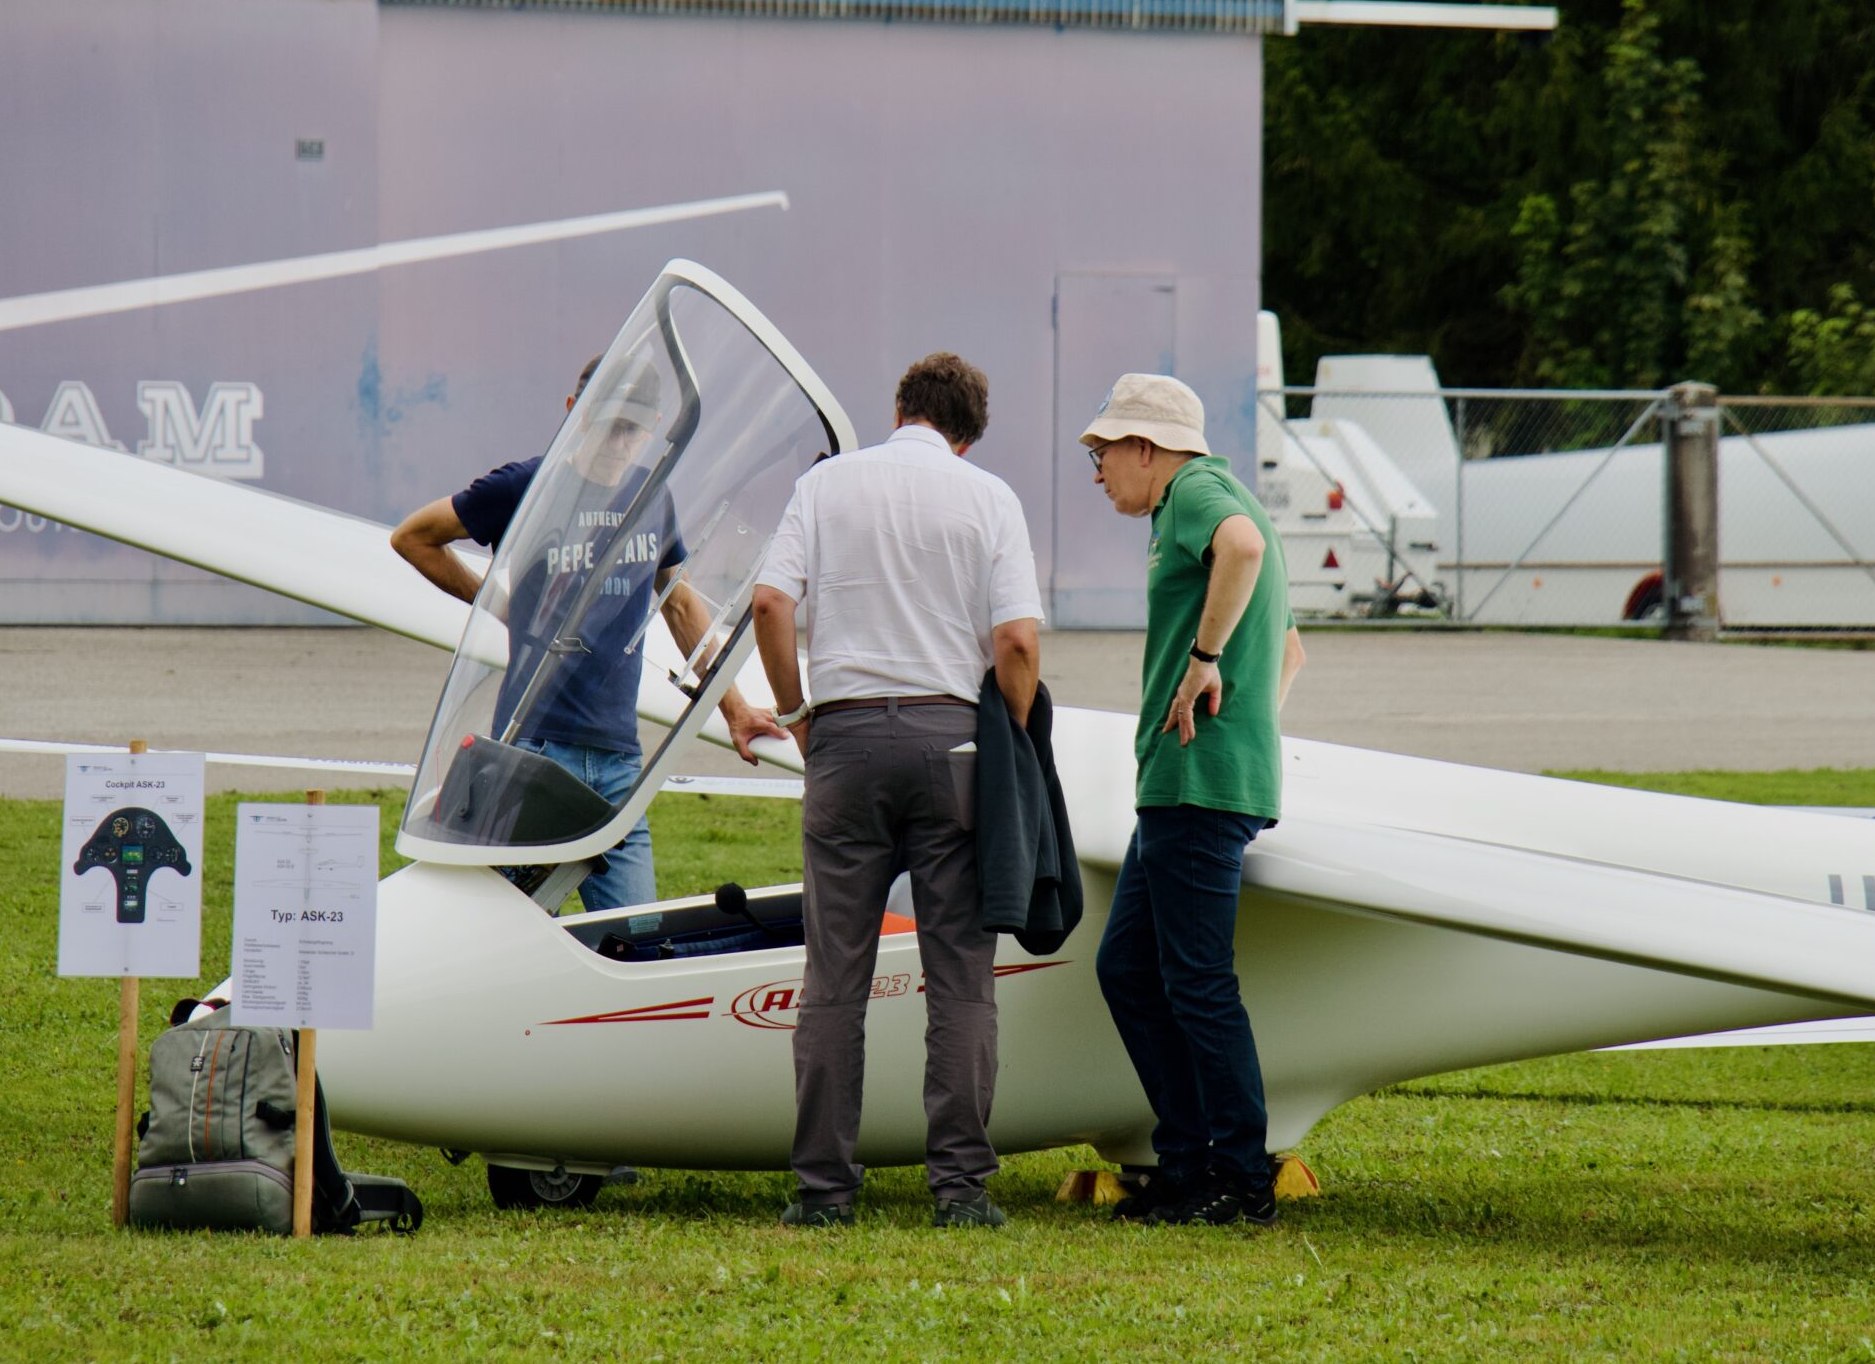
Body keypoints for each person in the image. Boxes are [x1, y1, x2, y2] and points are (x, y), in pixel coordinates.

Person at [751, 352, 1042, 1229]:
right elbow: (1018, 641)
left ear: (900, 409)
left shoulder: (827, 486)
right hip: (952, 740)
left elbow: (770, 603)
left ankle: (825, 1190)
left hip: (843, 740)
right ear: (966, 434)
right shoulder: (990, 498)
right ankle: (959, 1186)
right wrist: (1016, 741)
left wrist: (798, 712)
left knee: (835, 973)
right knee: (960, 974)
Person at [391, 355, 780, 911]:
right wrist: (497, 603)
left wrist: (735, 708)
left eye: (634, 430)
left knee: (633, 940)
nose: (621, 443)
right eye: (610, 425)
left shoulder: (653, 495)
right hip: (534, 754)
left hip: (619, 764)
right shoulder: (526, 486)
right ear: (575, 413)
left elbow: (679, 605)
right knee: (512, 940)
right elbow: (413, 538)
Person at [1078, 372, 1305, 1226]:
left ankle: (1241, 1176)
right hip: (1193, 778)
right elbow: (1290, 649)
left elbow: (1241, 548)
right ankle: (1183, 1162)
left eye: (1103, 454)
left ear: (1147, 449)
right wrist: (1247, 724)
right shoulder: (1213, 497)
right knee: (1129, 968)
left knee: (1198, 981)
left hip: (1196, 784)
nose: (1099, 472)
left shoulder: (1198, 493)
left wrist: (1206, 662)